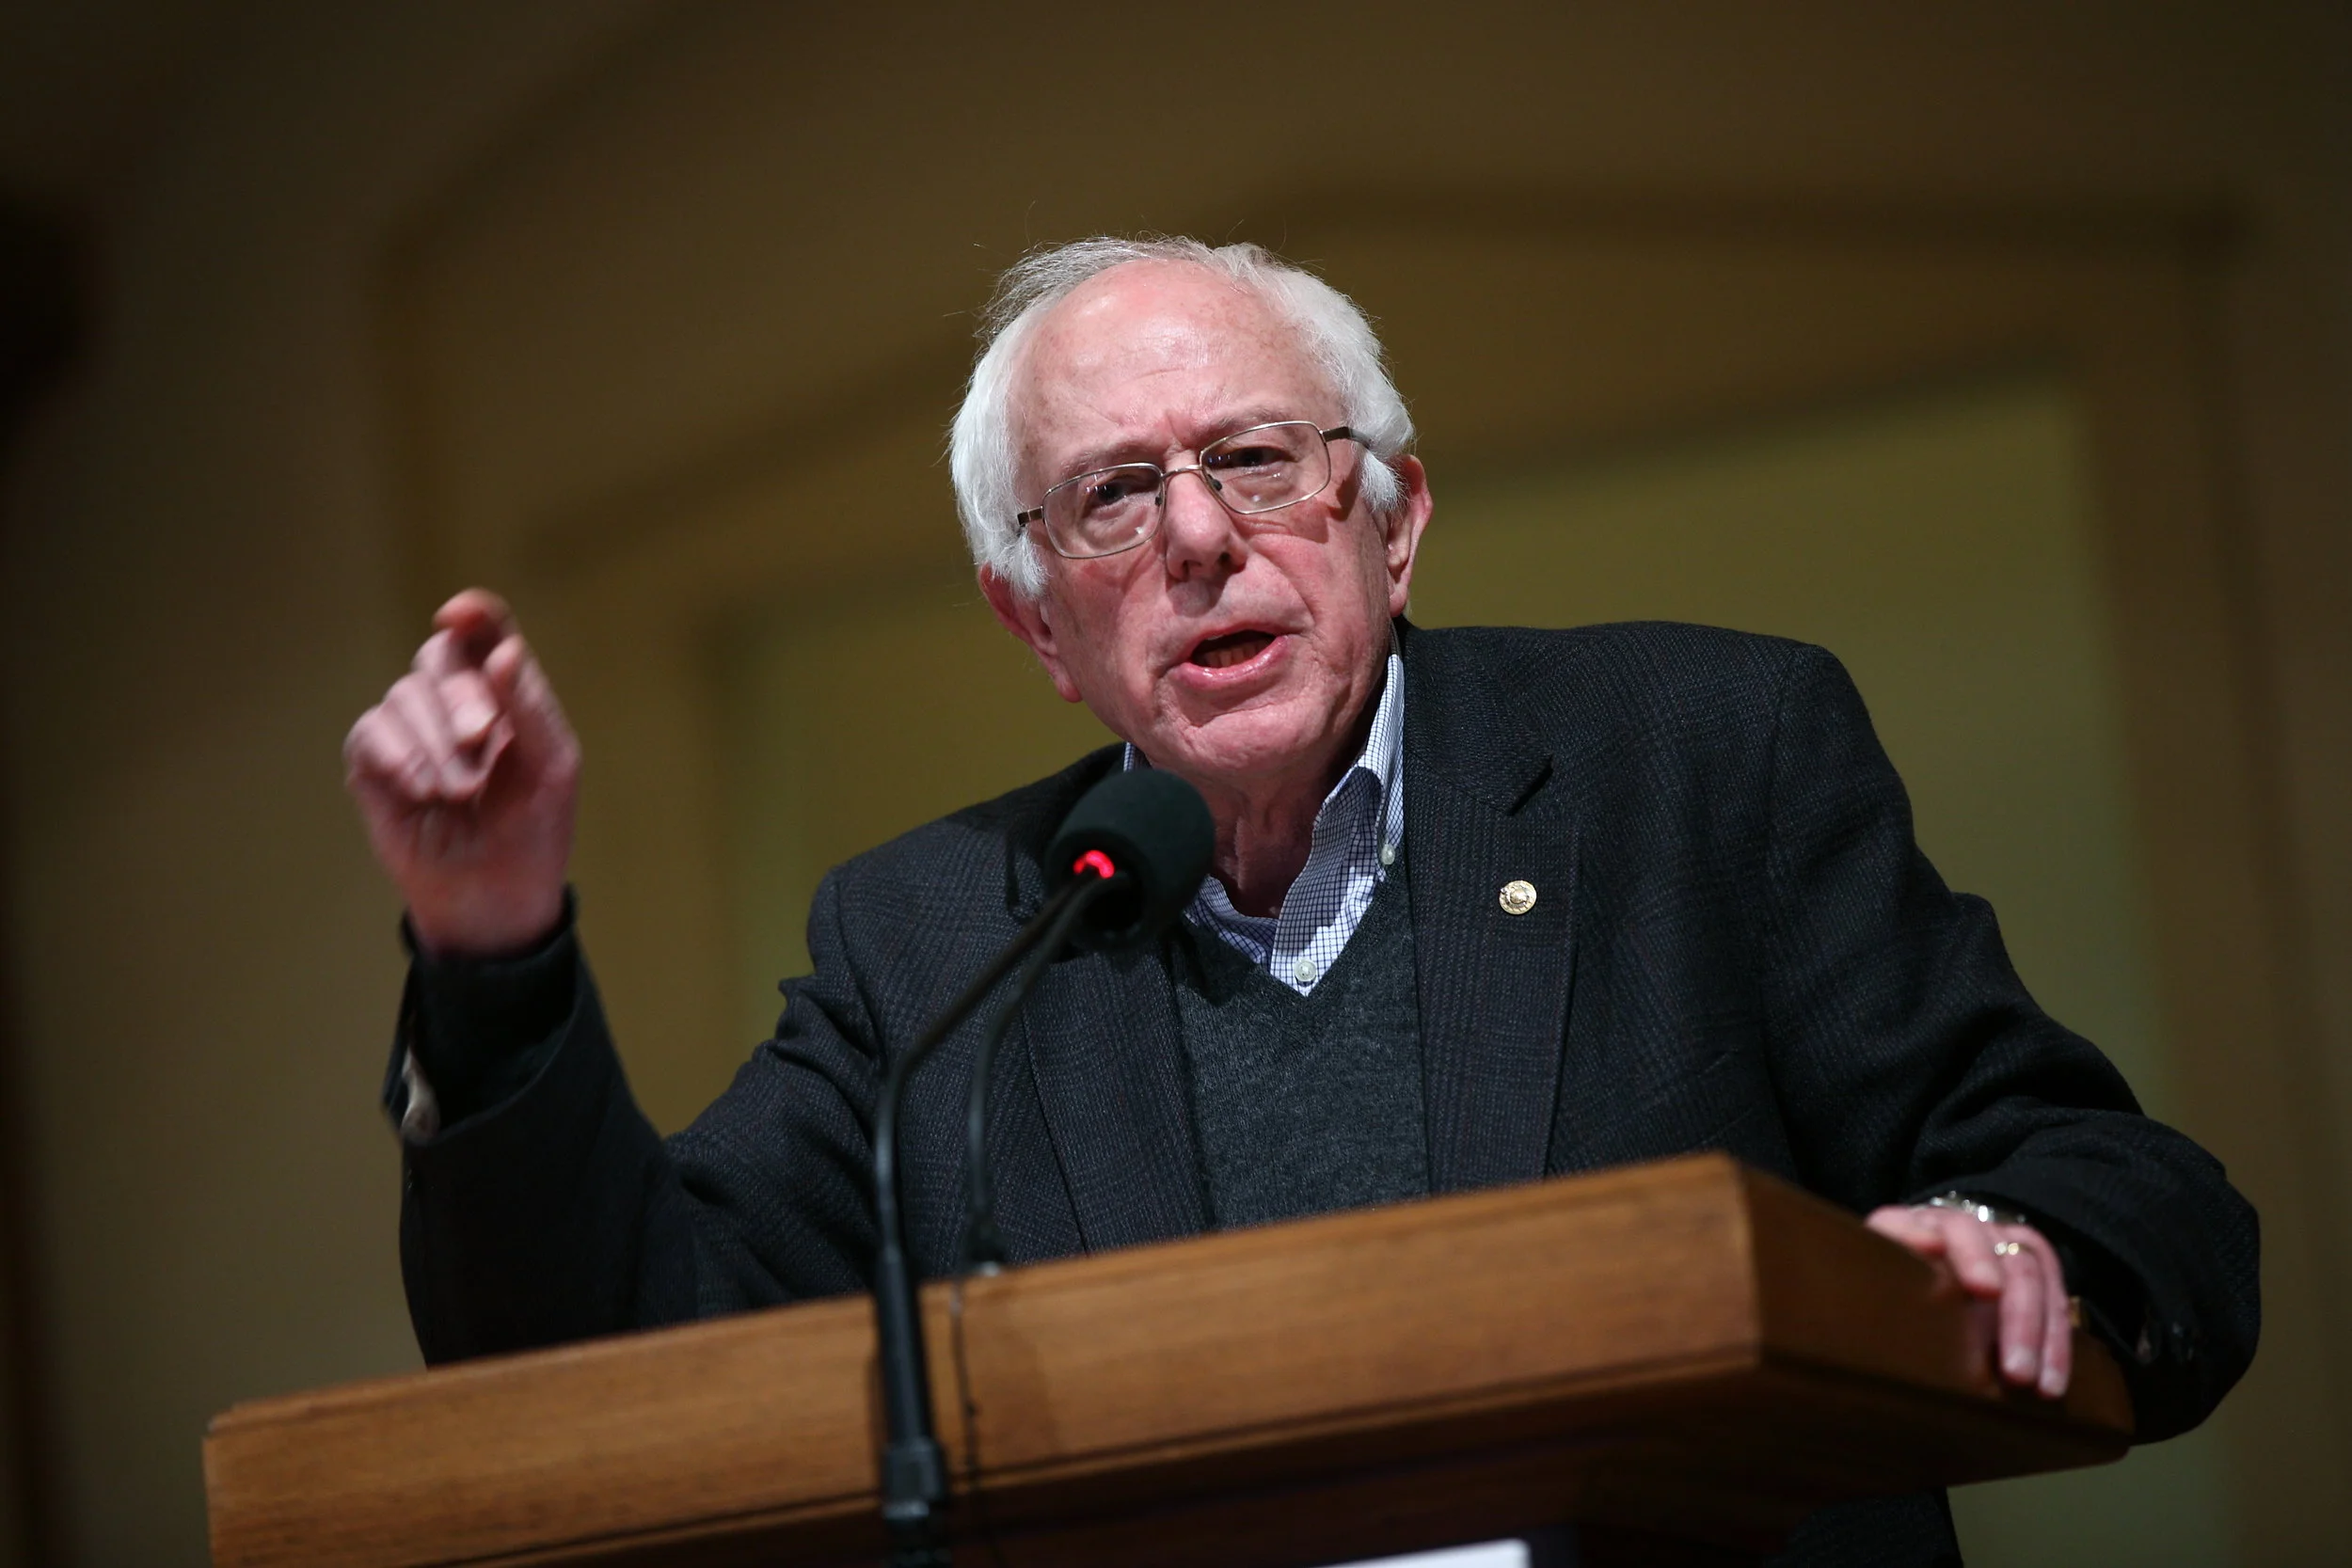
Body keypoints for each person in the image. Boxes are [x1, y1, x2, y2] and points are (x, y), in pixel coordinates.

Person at [344, 237, 2257, 1567]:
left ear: (1392, 519)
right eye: (1108, 499)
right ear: (1035, 625)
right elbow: (605, 1363)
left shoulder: (1700, 757)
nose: (1193, 535)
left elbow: (2134, 1197)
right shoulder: (935, 940)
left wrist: (2007, 1237)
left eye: (1253, 461)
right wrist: (491, 947)